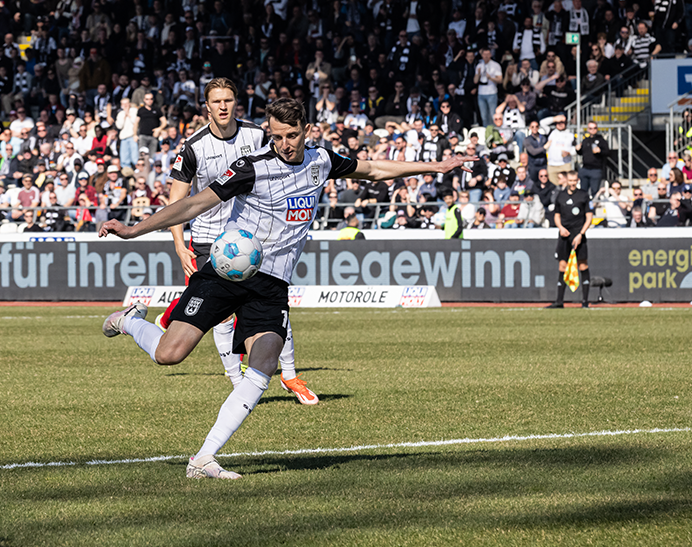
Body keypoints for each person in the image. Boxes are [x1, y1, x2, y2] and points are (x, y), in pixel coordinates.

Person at [98, 98, 471, 479]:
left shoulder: (321, 161)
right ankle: (129, 321)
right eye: (276, 136)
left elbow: (373, 169)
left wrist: (436, 166)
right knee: (169, 354)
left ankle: (203, 458)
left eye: (291, 135)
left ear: (306, 131)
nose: (284, 143)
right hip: (226, 274)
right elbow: (193, 204)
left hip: (272, 284)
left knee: (264, 360)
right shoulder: (250, 168)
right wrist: (134, 230)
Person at [152, 78, 312, 397]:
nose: (223, 106)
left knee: (272, 300)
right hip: (212, 239)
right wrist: (178, 244)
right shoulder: (194, 146)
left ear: (236, 103)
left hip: (253, 235)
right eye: (217, 101)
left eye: (228, 100)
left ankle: (291, 375)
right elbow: (178, 200)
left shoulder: (256, 134)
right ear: (207, 107)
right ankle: (237, 379)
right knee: (224, 314)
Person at [546, 171, 594, 308]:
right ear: (567, 180)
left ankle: (585, 302)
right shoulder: (560, 196)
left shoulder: (584, 195)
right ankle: (559, 301)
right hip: (564, 235)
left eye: (574, 181)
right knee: (562, 265)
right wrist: (560, 227)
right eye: (570, 181)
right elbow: (556, 215)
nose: (572, 183)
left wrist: (581, 234)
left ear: (577, 180)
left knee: (582, 265)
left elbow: (589, 217)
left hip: (578, 234)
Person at [576, 121, 610, 196]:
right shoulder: (585, 140)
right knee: (583, 191)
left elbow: (607, 152)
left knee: (595, 191)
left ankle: (593, 207)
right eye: (590, 128)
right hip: (585, 168)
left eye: (594, 128)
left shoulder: (601, 140)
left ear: (597, 129)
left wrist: (600, 151)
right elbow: (581, 153)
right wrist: (578, 149)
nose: (593, 130)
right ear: (588, 129)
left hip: (596, 169)